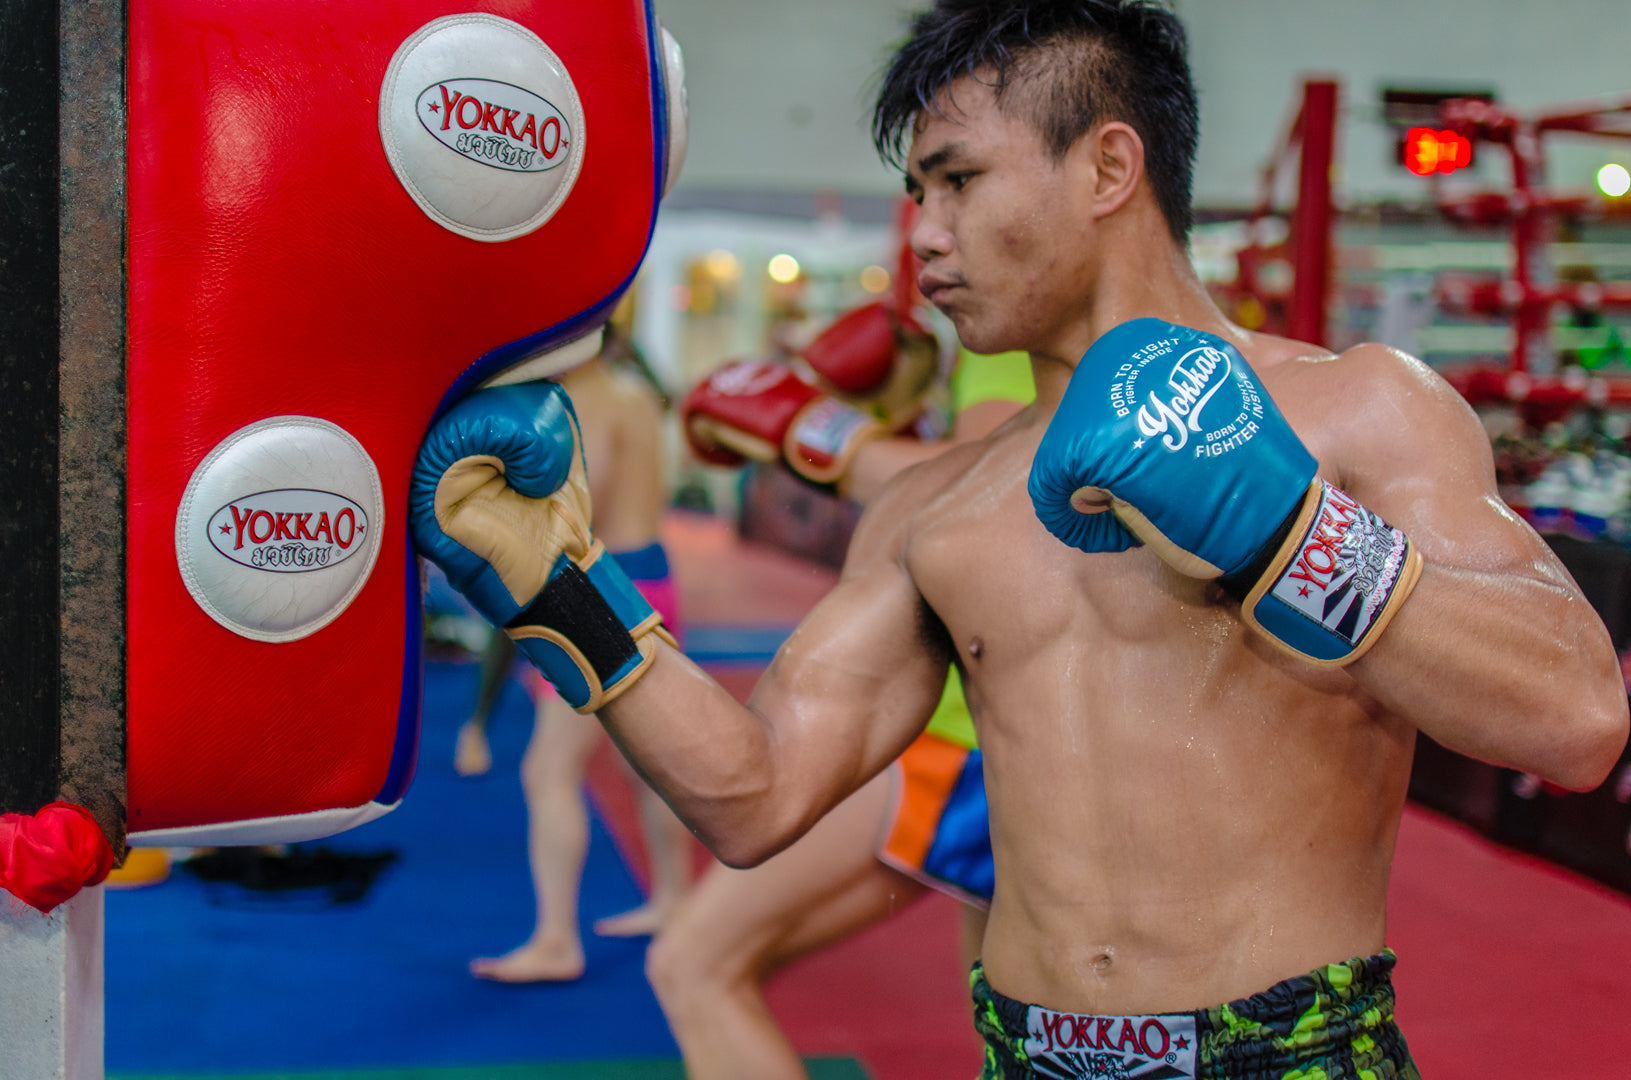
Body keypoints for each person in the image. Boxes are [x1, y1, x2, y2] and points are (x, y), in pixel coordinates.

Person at [412, 2, 1629, 1074]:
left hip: (1292, 1056)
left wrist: (1284, 531)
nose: (923, 236)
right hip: (1027, 1058)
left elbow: (1574, 721)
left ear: (1106, 166)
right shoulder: (933, 505)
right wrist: (561, 585)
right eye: (913, 194)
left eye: (955, 180)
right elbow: (754, 796)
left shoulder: (1357, 406)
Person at [649, 340, 1032, 1080]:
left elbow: (981, 486)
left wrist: (809, 427)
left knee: (694, 963)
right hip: (994, 729)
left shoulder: (1016, 333)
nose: (931, 236)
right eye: (924, 212)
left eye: (949, 212)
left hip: (951, 736)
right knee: (1009, 1042)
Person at [465, 332, 698, 982]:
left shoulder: (580, 398)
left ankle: (555, 941)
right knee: (645, 764)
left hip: (598, 586)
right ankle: (674, 900)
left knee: (547, 771)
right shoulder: (635, 392)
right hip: (651, 577)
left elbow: (574, 504)